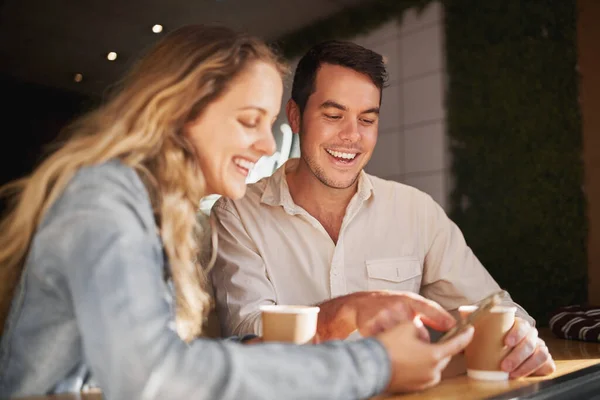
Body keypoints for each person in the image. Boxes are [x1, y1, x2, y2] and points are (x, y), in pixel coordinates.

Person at [0, 25, 475, 400]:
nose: (268, 145)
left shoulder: (148, 211)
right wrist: (375, 365)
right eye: (249, 121)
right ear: (178, 113)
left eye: (266, 125)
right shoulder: (104, 199)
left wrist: (340, 315)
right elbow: (155, 380)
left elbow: (166, 362)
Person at [211, 40, 556, 379]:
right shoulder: (238, 213)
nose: (352, 136)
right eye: (333, 115)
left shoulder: (415, 211)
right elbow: (250, 338)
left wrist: (520, 337)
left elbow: (493, 307)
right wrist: (342, 313)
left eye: (367, 119)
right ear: (296, 116)